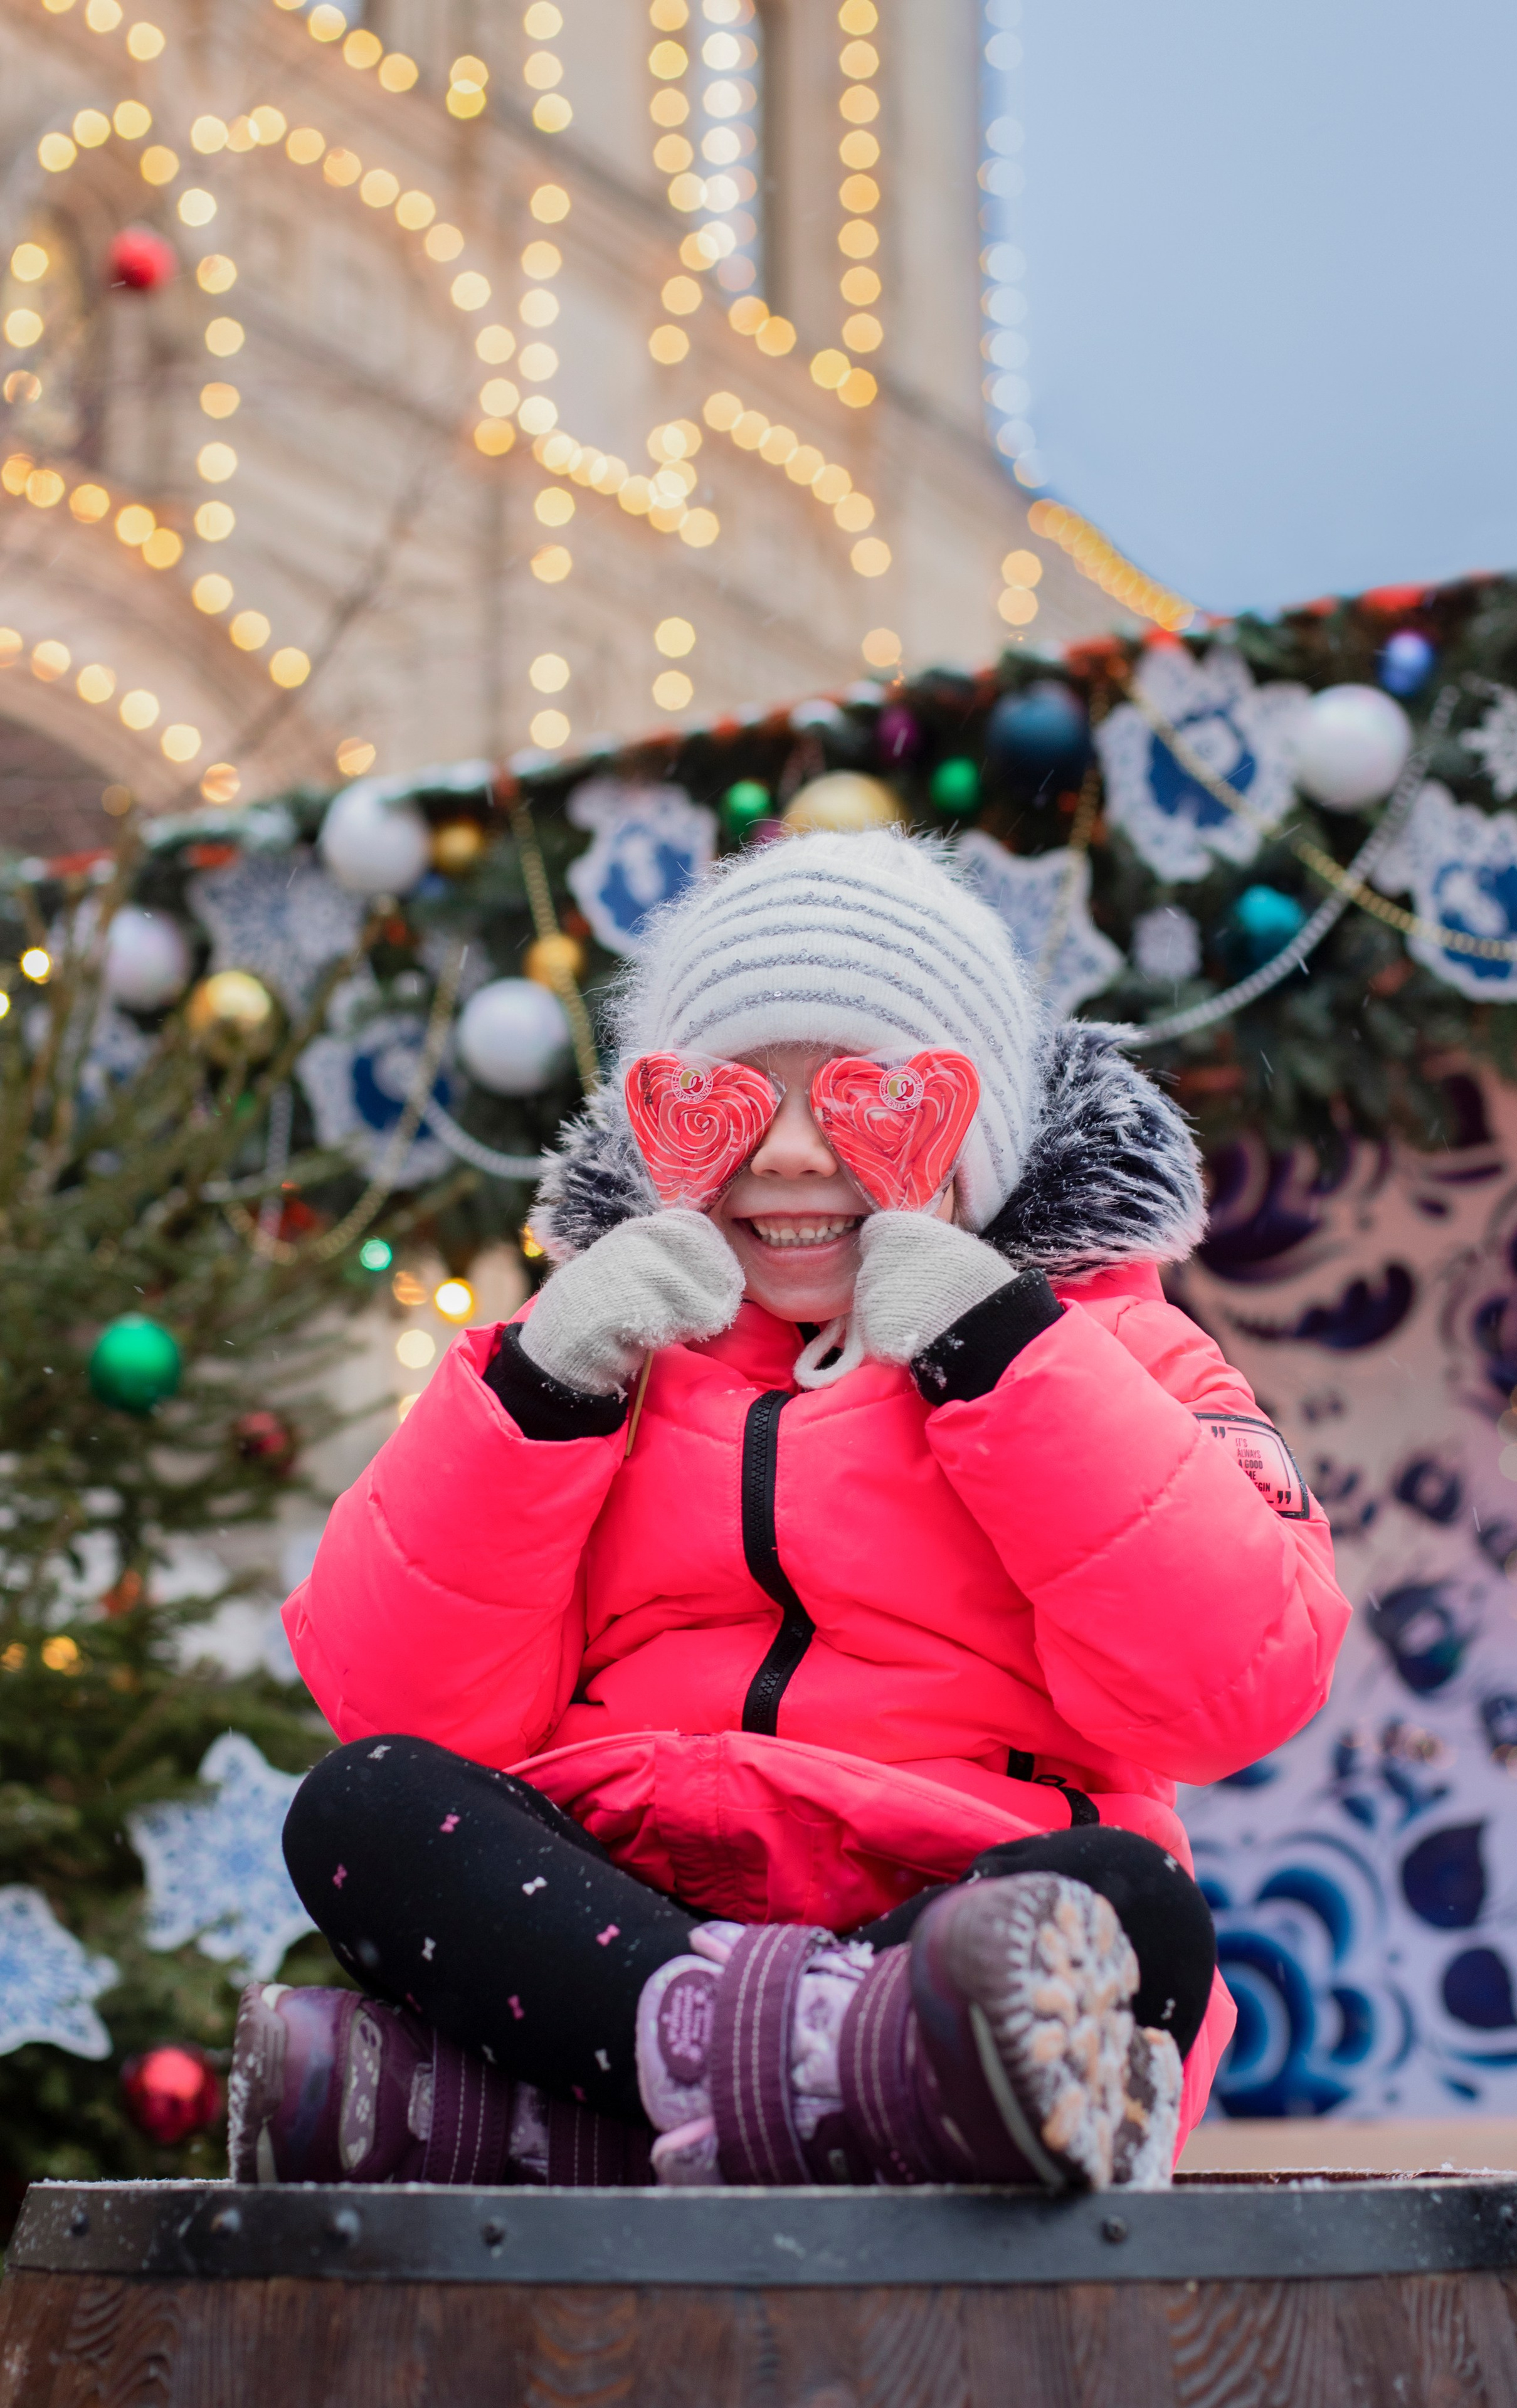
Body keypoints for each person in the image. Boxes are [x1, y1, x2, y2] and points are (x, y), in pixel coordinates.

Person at [230, 831, 1348, 2193]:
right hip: (614, 1905)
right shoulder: (594, 1341)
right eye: (735, 1100)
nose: (796, 1152)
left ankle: (598, 2122)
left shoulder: (1115, 1349)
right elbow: (405, 1698)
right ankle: (805, 2080)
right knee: (362, 1805)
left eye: (865, 1095)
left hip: (950, 1923)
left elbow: (1231, 1687)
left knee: (1134, 1918)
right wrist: (539, 1391)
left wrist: (999, 1353)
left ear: (972, 1117)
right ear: (663, 1124)